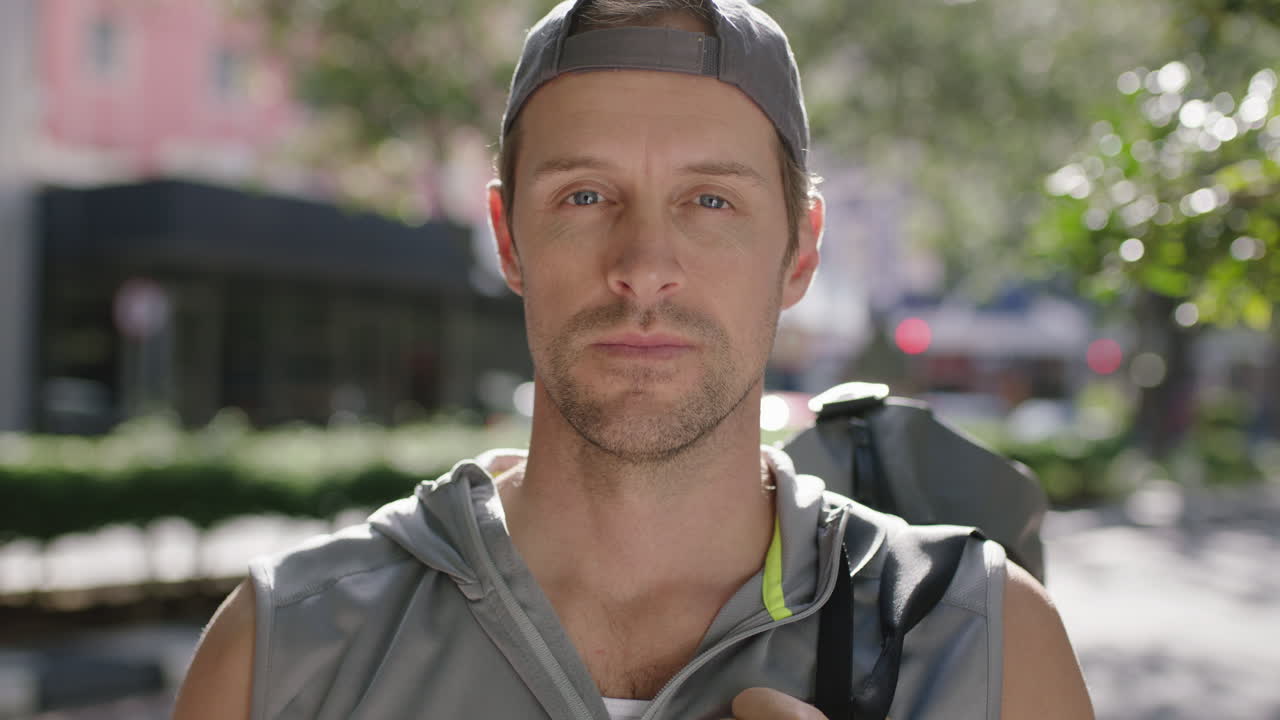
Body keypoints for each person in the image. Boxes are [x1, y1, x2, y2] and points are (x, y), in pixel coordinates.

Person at [174, 1, 1094, 718]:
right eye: (584, 195)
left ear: (802, 250)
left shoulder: (987, 644)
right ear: (507, 237)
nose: (644, 267)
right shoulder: (284, 651)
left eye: (710, 202)